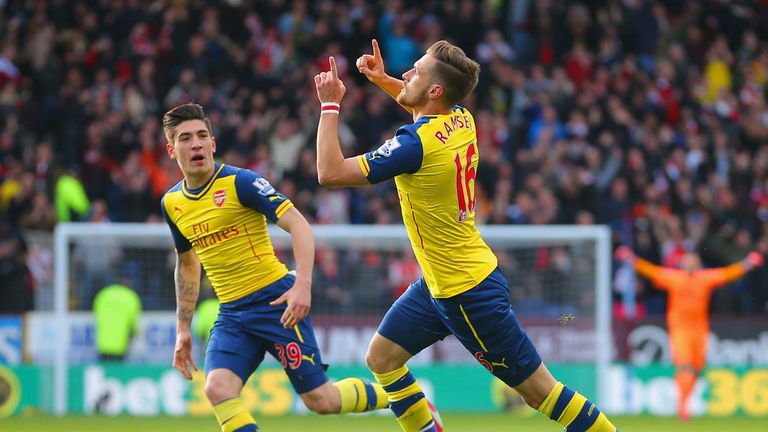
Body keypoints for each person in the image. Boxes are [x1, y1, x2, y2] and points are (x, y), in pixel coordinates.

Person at [313, 39, 618, 432]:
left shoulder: (414, 145)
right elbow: (420, 106)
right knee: (382, 358)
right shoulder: (462, 117)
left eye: (416, 71)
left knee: (541, 393)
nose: (407, 74)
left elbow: (330, 172)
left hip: (466, 294)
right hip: (440, 284)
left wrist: (330, 104)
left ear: (436, 90)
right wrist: (383, 79)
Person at [160, 103, 393, 432]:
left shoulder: (241, 183)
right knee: (217, 389)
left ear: (213, 143)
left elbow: (300, 226)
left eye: (201, 136)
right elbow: (187, 265)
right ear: (172, 150)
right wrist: (182, 328)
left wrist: (302, 285)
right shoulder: (172, 203)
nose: (195, 144)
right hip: (232, 314)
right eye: (185, 139)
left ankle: (400, 397)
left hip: (276, 303)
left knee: (321, 401)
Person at [615, 246, 764, 420]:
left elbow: (728, 274)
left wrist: (748, 263)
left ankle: (685, 402)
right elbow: (651, 271)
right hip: (680, 329)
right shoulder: (675, 278)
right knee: (684, 364)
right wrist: (630, 258)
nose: (691, 264)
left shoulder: (705, 278)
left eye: (694, 261)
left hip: (700, 329)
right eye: (688, 261)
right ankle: (683, 408)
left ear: (699, 264)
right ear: (682, 263)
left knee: (696, 367)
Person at [93, 282, 142, 361]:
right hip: (121, 344)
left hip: (103, 343)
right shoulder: (130, 296)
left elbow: (96, 312)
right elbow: (134, 320)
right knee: (117, 371)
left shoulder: (104, 294)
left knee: (105, 369)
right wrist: (137, 332)